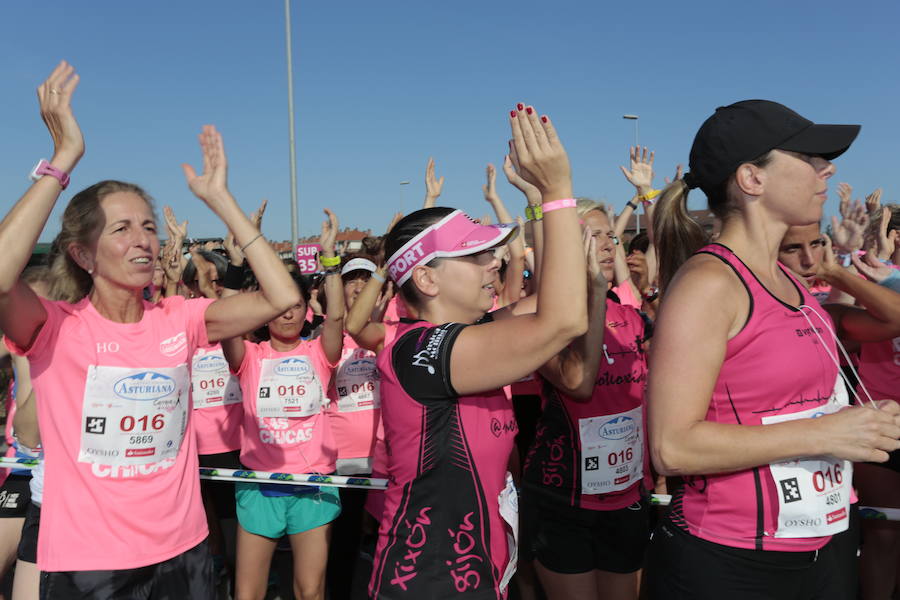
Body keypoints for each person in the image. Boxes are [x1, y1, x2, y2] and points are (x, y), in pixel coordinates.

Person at [0, 62, 300, 599]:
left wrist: (222, 201)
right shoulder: (55, 327)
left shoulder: (178, 319)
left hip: (184, 555)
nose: (143, 240)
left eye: (148, 227)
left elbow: (282, 297)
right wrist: (63, 159)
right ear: (82, 254)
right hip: (88, 561)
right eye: (122, 228)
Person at [644, 99, 900, 600]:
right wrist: (826, 431)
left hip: (823, 544)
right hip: (732, 560)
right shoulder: (709, 284)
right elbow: (671, 447)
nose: (827, 169)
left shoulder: (790, 279)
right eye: (808, 157)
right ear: (751, 179)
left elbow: (791, 408)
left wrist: (860, 421)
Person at [368, 103, 588, 600]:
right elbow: (565, 318)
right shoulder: (418, 350)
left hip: (482, 575)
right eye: (474, 255)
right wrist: (557, 192)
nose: (493, 263)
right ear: (425, 278)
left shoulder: (474, 335)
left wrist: (536, 205)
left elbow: (559, 299)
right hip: (428, 582)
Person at [521, 200, 651, 600]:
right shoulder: (545, 320)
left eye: (611, 235)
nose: (610, 245)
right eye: (594, 236)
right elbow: (578, 385)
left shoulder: (632, 316)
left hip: (627, 493)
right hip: (563, 496)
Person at [221, 209, 345, 600]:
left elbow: (338, 315)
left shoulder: (318, 352)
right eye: (280, 304)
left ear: (307, 308)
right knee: (248, 592)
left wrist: (330, 261)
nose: (288, 312)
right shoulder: (251, 357)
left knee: (310, 590)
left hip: (313, 487)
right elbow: (226, 320)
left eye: (296, 304)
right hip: (259, 486)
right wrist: (239, 263)